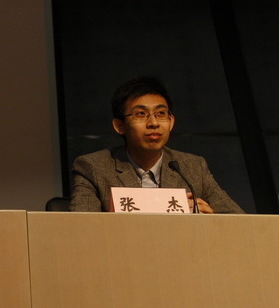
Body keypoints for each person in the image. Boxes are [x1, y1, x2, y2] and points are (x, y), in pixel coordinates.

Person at [70, 76, 243, 213]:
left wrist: (211, 219)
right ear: (119, 126)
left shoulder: (192, 167)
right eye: (140, 114)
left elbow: (239, 221)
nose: (153, 123)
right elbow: (81, 229)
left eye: (161, 113)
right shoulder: (93, 167)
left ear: (171, 121)